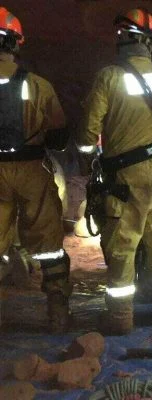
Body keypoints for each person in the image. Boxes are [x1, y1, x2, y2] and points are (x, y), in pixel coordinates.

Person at [76, 8, 152, 335]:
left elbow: (89, 131)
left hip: (126, 173)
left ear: (121, 40)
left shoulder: (109, 77)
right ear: (151, 43)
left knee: (123, 241)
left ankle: (120, 317)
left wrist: (87, 159)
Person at [0, 7, 71, 333]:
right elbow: (58, 135)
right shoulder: (38, 85)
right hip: (31, 169)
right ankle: (57, 312)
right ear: (16, 43)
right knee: (49, 243)